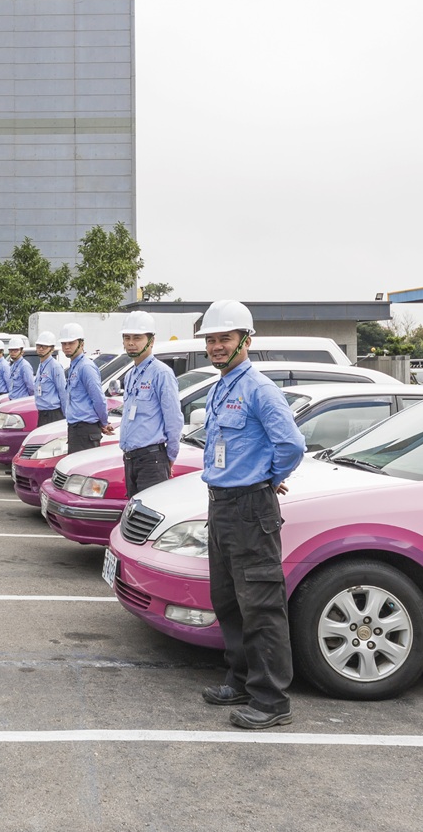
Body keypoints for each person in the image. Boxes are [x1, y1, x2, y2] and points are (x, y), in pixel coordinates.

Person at [194, 300, 305, 732]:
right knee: (228, 601)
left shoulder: (260, 389)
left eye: (224, 338)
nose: (216, 347)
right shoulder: (220, 387)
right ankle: (240, 681)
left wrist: (267, 478)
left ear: (245, 340)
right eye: (211, 340)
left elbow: (291, 445)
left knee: (260, 605)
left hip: (250, 509)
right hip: (221, 505)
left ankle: (272, 700)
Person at [117, 310, 183, 497]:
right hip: (130, 458)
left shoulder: (161, 373)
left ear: (151, 341)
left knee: (150, 509)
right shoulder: (130, 375)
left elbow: (174, 419)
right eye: (127, 338)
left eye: (137, 338)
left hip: (152, 459)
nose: (131, 343)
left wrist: (169, 457)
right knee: (134, 510)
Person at [60, 322, 112, 452]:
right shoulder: (74, 366)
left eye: (71, 343)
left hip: (85, 430)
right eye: (64, 343)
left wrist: (104, 422)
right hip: (76, 429)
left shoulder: (86, 367)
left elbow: (98, 399)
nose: (67, 347)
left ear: (81, 344)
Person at [31, 330, 69, 427]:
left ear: (52, 349)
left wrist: (66, 416)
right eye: (38, 346)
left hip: (53, 413)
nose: (40, 349)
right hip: (42, 413)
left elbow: (63, 392)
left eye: (44, 347)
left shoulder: (55, 366)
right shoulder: (41, 365)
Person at [6, 335, 35, 400]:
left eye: (15, 350)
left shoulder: (25, 366)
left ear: (22, 351)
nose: (12, 352)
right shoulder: (13, 366)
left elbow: (31, 387)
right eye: (11, 350)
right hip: (12, 400)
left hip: (21, 401)